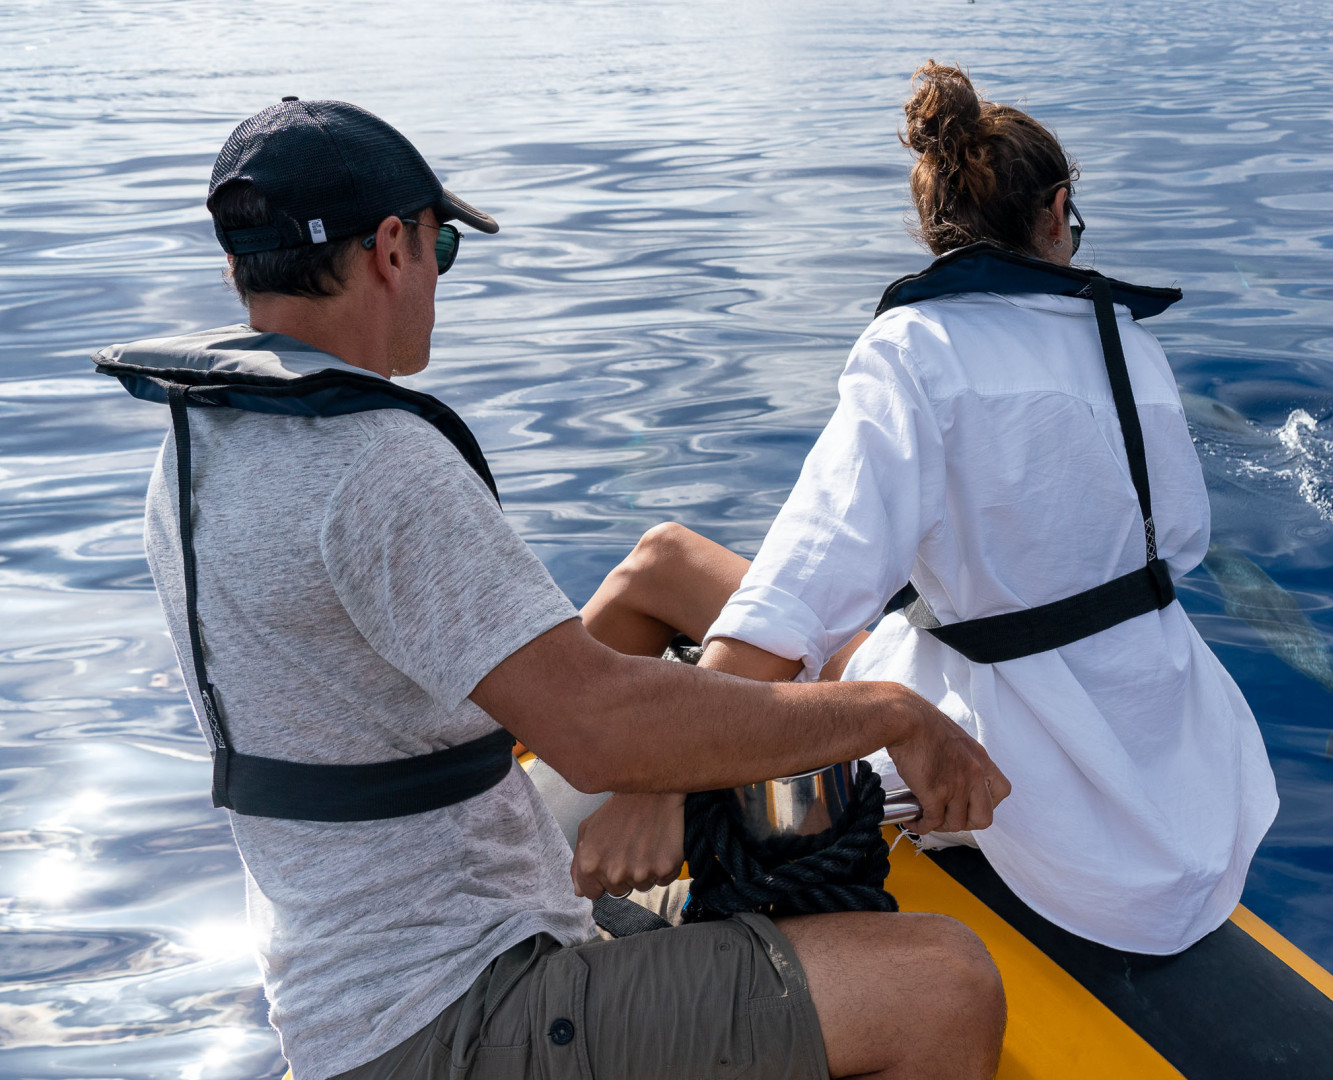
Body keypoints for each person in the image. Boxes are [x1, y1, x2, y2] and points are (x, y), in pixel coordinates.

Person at [94, 97, 1009, 1080]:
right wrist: (887, 713)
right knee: (943, 979)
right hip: (454, 1009)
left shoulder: (199, 447)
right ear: (392, 248)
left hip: (345, 996)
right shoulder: (371, 461)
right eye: (443, 252)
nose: (436, 283)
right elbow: (598, 726)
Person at [582, 62, 1279, 956]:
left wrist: (661, 776)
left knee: (662, 563)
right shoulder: (1130, 346)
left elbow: (798, 592)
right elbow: (1179, 545)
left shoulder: (915, 350)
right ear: (1056, 208)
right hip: (1176, 779)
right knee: (676, 561)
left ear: (934, 229)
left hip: (1009, 779)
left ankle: (486, 782)